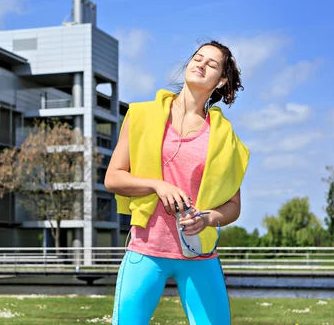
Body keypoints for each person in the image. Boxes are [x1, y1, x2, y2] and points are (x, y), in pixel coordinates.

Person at [104, 40, 250, 325]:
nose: (201, 64)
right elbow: (113, 178)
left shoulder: (224, 136)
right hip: (145, 250)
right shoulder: (141, 115)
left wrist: (207, 219)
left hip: (200, 255)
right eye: (198, 57)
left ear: (220, 81)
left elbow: (233, 206)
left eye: (212, 64)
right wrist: (158, 185)